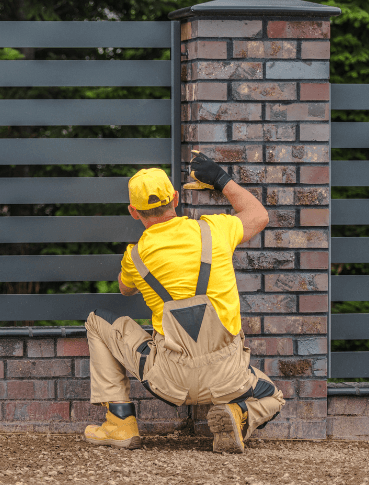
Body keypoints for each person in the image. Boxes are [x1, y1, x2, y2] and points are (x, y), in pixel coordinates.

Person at [82, 152, 285, 453]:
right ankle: (238, 412)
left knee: (97, 321)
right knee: (272, 397)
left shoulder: (135, 256)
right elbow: (259, 215)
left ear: (133, 212)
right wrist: (220, 179)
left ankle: (119, 422)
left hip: (169, 381)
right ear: (175, 199)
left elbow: (125, 289)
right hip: (228, 378)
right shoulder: (215, 230)